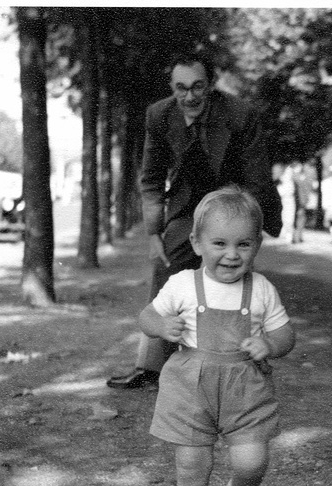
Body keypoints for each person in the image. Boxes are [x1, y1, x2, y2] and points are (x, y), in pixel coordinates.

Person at [139, 186, 295, 486]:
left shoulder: (260, 289)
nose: (231, 254)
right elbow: (145, 317)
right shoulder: (182, 285)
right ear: (196, 242)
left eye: (243, 244)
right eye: (220, 243)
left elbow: (286, 335)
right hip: (190, 389)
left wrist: (269, 344)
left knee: (251, 460)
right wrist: (162, 325)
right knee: (191, 464)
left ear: (257, 244)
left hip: (245, 390)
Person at [107, 51, 282, 390]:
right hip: (188, 204)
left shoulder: (240, 115)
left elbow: (257, 177)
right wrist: (154, 233)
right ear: (172, 88)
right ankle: (151, 368)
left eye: (198, 87)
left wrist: (249, 225)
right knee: (167, 264)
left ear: (210, 86)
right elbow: (152, 178)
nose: (190, 97)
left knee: (230, 271)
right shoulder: (158, 115)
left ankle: (235, 361)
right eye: (181, 88)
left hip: (235, 198)